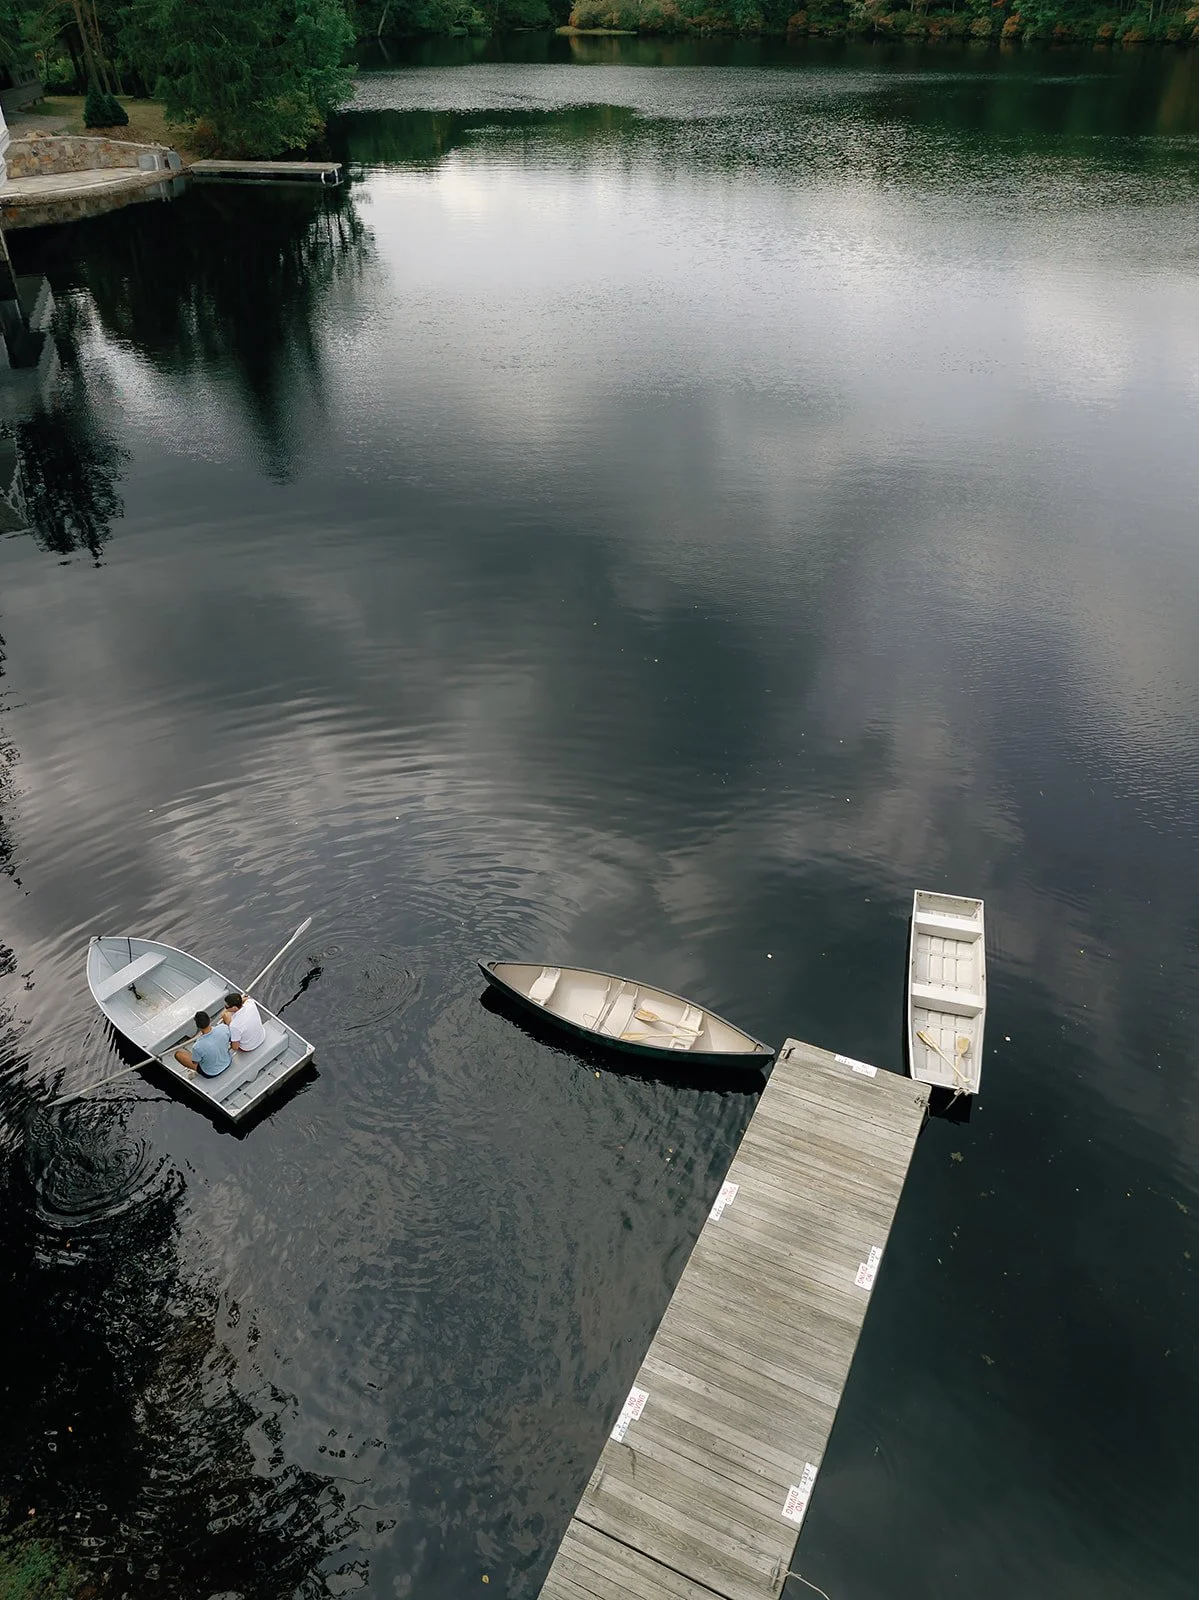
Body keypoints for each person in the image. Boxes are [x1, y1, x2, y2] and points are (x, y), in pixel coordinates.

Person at [175, 1010, 232, 1077]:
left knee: (178, 1054)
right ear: (210, 1020)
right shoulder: (224, 1028)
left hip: (211, 1073)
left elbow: (195, 1062)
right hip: (227, 1061)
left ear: (198, 1026)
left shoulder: (197, 1046)